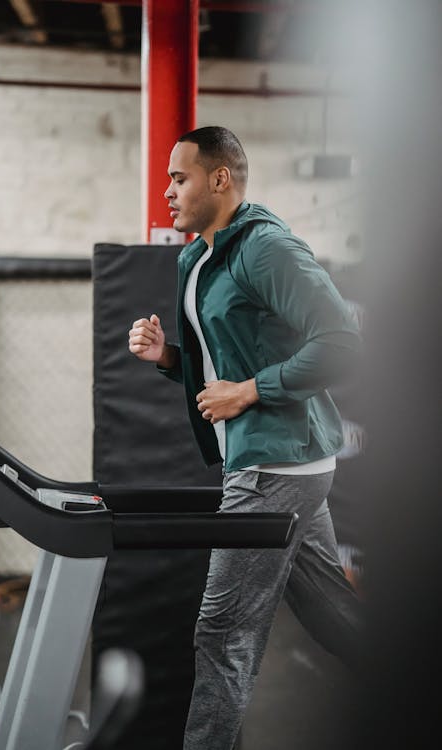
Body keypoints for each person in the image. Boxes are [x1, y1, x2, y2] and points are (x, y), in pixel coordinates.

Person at [128, 126, 362, 750]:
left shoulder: (266, 249)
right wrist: (169, 358)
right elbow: (230, 358)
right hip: (287, 466)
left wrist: (251, 392)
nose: (168, 192)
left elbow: (341, 345)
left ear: (220, 179)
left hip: (273, 471)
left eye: (180, 178)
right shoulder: (201, 254)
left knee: (222, 633)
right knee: (337, 616)